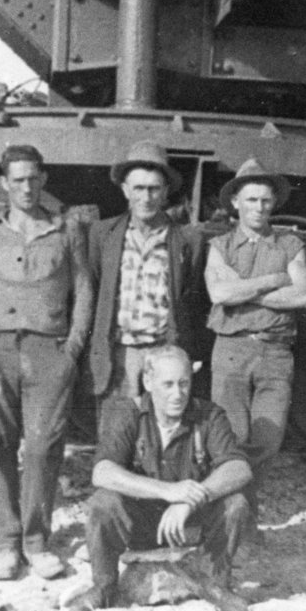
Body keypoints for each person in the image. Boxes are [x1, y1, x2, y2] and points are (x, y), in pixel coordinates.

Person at [0, 145, 93, 580]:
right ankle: (6, 542)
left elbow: (83, 288)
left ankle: (36, 541)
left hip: (49, 350)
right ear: (4, 183)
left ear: (44, 180)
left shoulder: (66, 231)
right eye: (17, 180)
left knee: (42, 447)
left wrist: (73, 347)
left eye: (33, 178)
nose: (26, 187)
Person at [66, 345, 251, 611]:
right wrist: (166, 490)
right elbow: (102, 471)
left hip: (187, 524)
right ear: (148, 382)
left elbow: (239, 467)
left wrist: (190, 500)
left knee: (235, 503)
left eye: (184, 383)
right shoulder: (128, 413)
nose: (178, 394)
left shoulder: (209, 415)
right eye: (168, 385)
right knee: (103, 503)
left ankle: (216, 585)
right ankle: (104, 587)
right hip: (140, 523)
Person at [204, 158, 306, 532]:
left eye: (266, 200)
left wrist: (245, 291)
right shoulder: (220, 245)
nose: (259, 207)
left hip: (275, 352)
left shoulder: (290, 243)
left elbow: (303, 296)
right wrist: (274, 279)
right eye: (251, 200)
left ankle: (241, 510)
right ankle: (232, 521)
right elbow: (220, 293)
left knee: (268, 439)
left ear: (274, 203)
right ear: (235, 202)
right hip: (232, 350)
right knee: (229, 437)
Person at [88, 140, 205, 424]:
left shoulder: (187, 239)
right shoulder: (103, 234)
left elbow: (192, 298)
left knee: (162, 430)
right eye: (138, 188)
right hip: (120, 352)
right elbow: (95, 286)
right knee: (116, 430)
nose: (146, 197)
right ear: (125, 190)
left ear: (165, 192)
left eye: (154, 188)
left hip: (163, 351)